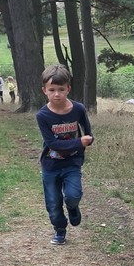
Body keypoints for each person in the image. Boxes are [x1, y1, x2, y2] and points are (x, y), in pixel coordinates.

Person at [36, 64, 94, 246]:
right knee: (53, 202)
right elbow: (52, 144)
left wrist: (88, 140)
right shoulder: (42, 115)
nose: (57, 94)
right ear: (44, 90)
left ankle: (72, 207)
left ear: (68, 88)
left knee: (73, 195)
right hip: (50, 166)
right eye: (52, 90)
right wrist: (79, 142)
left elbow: (88, 132)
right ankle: (59, 229)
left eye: (61, 89)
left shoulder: (78, 109)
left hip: (72, 163)